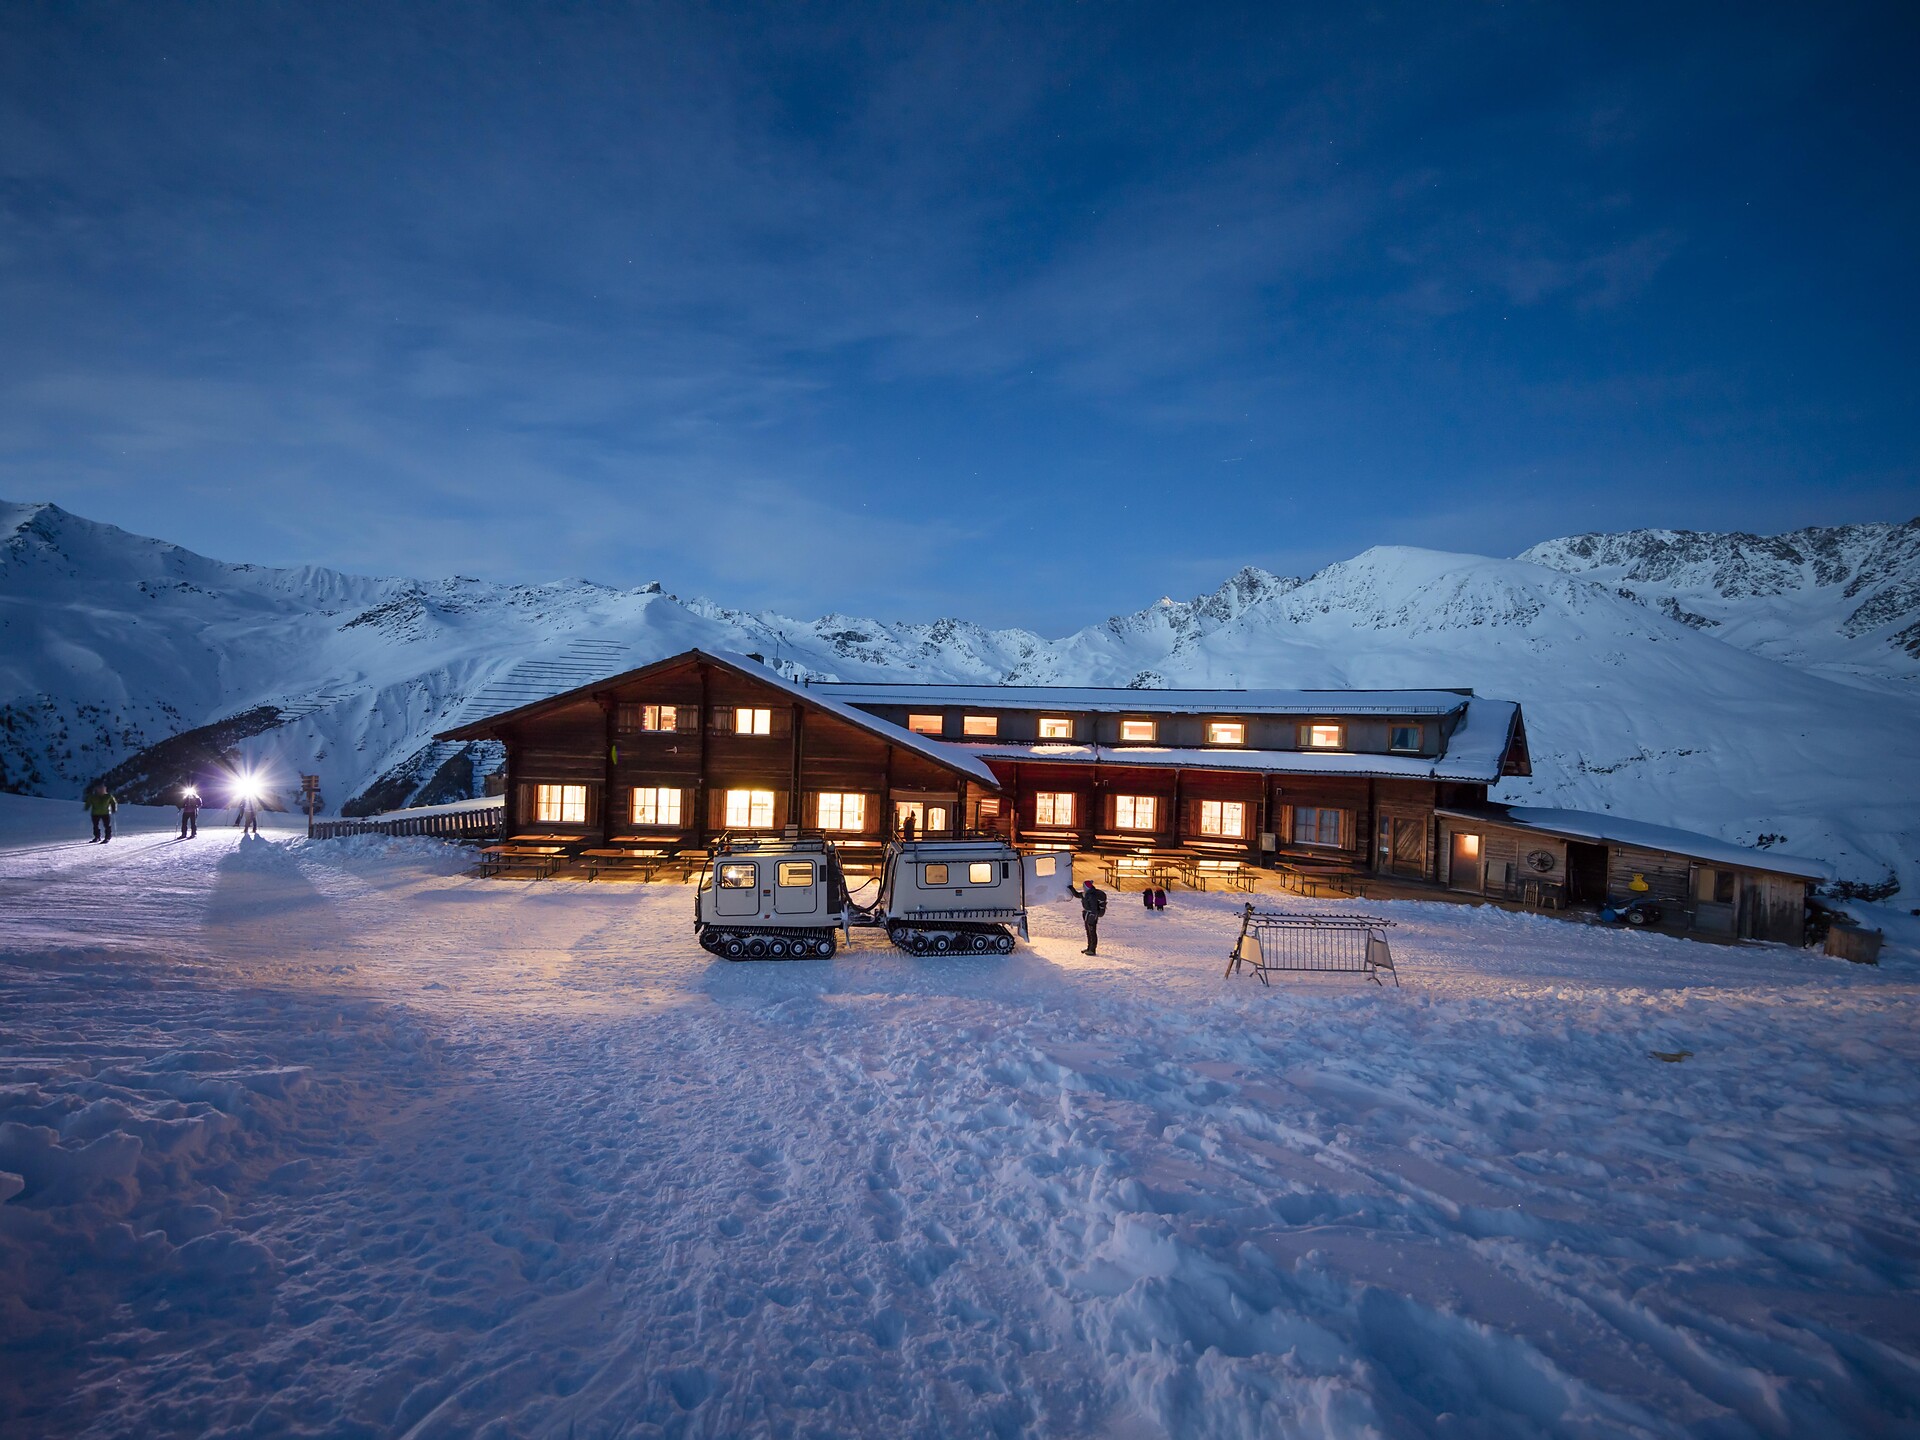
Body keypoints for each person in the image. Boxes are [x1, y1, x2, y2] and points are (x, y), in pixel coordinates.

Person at [1066, 876, 1107, 955]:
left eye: (1083, 886)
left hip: (1091, 916)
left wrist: (1092, 916)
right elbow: (1077, 895)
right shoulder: (1086, 894)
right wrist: (1071, 888)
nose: (1083, 888)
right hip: (1087, 915)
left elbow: (1094, 908)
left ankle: (1092, 950)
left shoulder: (1091, 895)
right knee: (1088, 932)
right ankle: (1089, 948)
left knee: (1092, 932)